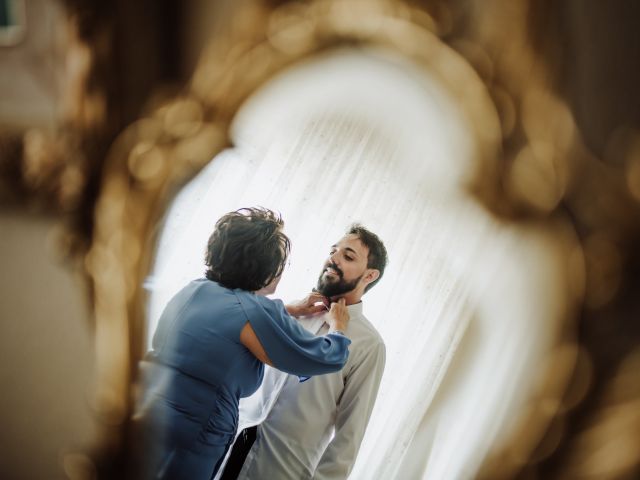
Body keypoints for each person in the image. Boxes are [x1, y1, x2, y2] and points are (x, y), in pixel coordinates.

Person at [131, 208, 352, 480]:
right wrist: (339, 327)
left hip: (145, 413)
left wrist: (288, 309)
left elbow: (227, 320)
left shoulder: (195, 289)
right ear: (266, 266)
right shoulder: (256, 312)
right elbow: (321, 357)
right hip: (192, 436)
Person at [226, 224, 388, 479]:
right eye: (333, 250)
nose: (332, 258)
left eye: (347, 256)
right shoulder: (294, 312)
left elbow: (350, 436)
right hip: (226, 453)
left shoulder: (369, 345)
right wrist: (286, 311)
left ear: (369, 276)